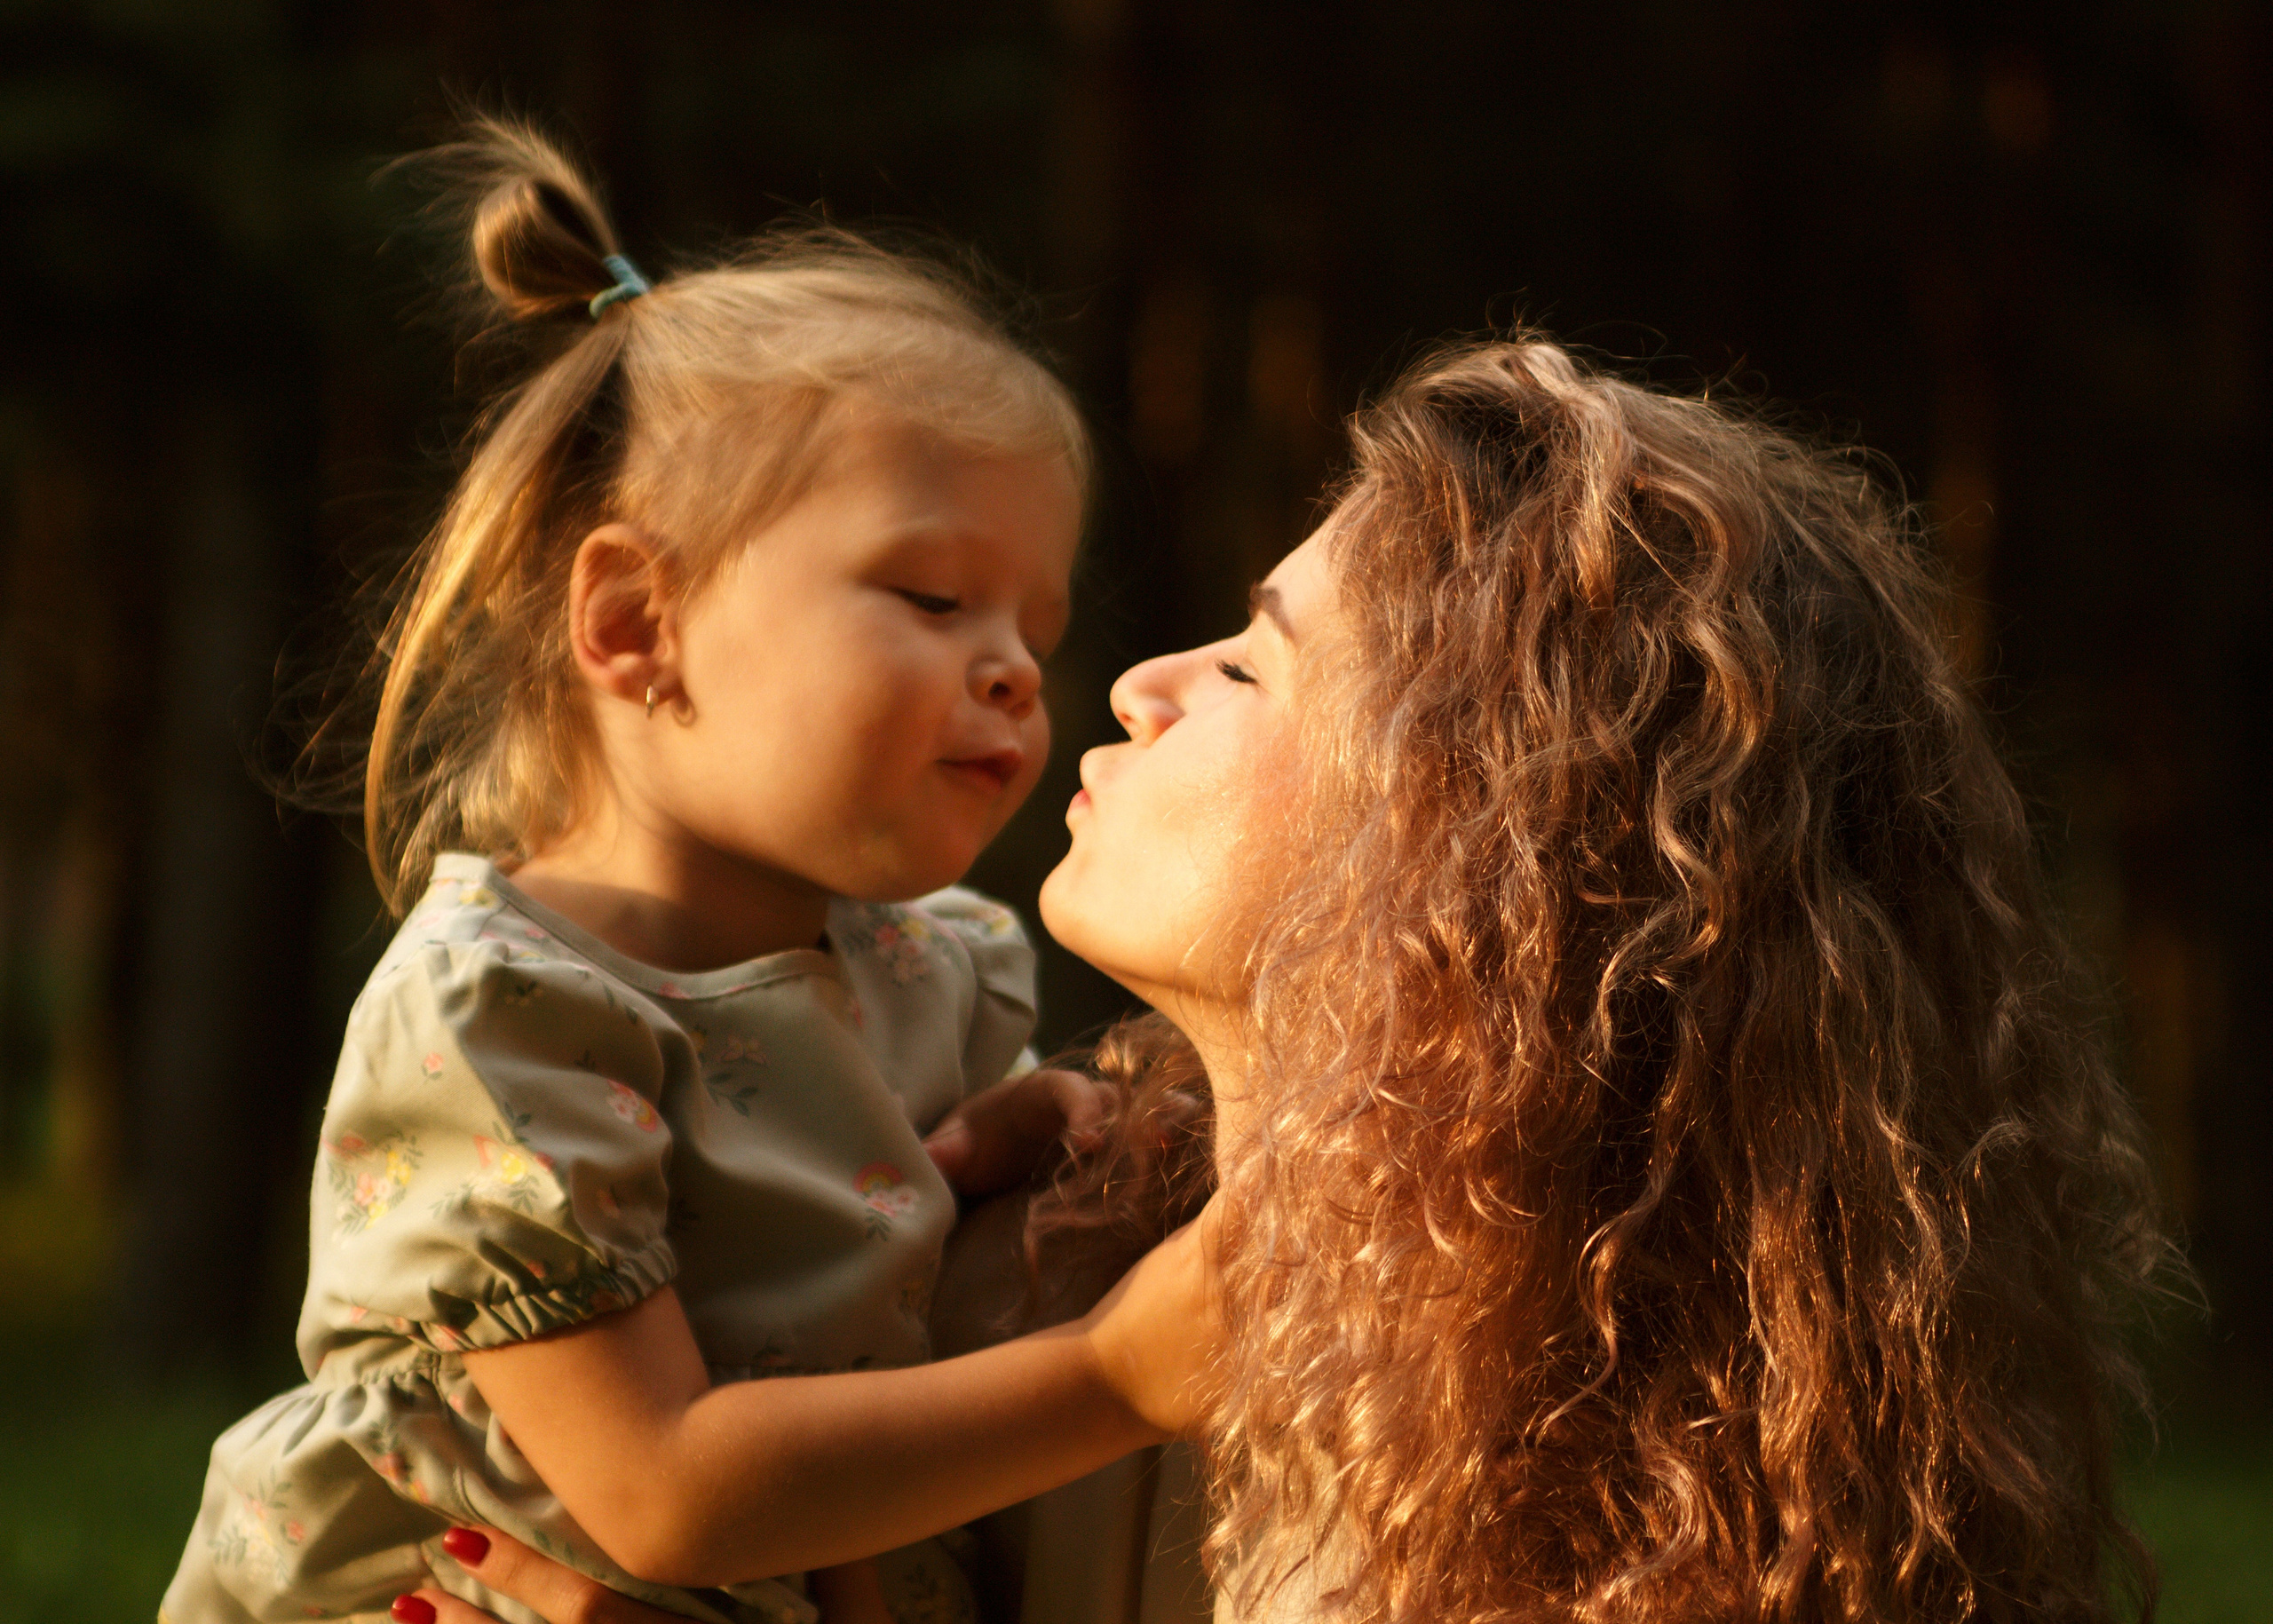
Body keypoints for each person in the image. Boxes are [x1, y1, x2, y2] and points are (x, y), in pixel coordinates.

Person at [391, 331, 2177, 1624]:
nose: (1129, 683)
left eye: (1254, 667)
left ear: (1492, 838)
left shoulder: (1691, 1502)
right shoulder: (1007, 1284)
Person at [160, 119, 1211, 1624]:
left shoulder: (932, 963)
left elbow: (830, 1217)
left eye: (1034, 631)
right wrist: (1117, 1368)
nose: (1010, 673)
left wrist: (983, 1144)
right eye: (932, 594)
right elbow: (665, 1487)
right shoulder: (500, 1015)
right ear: (635, 623)